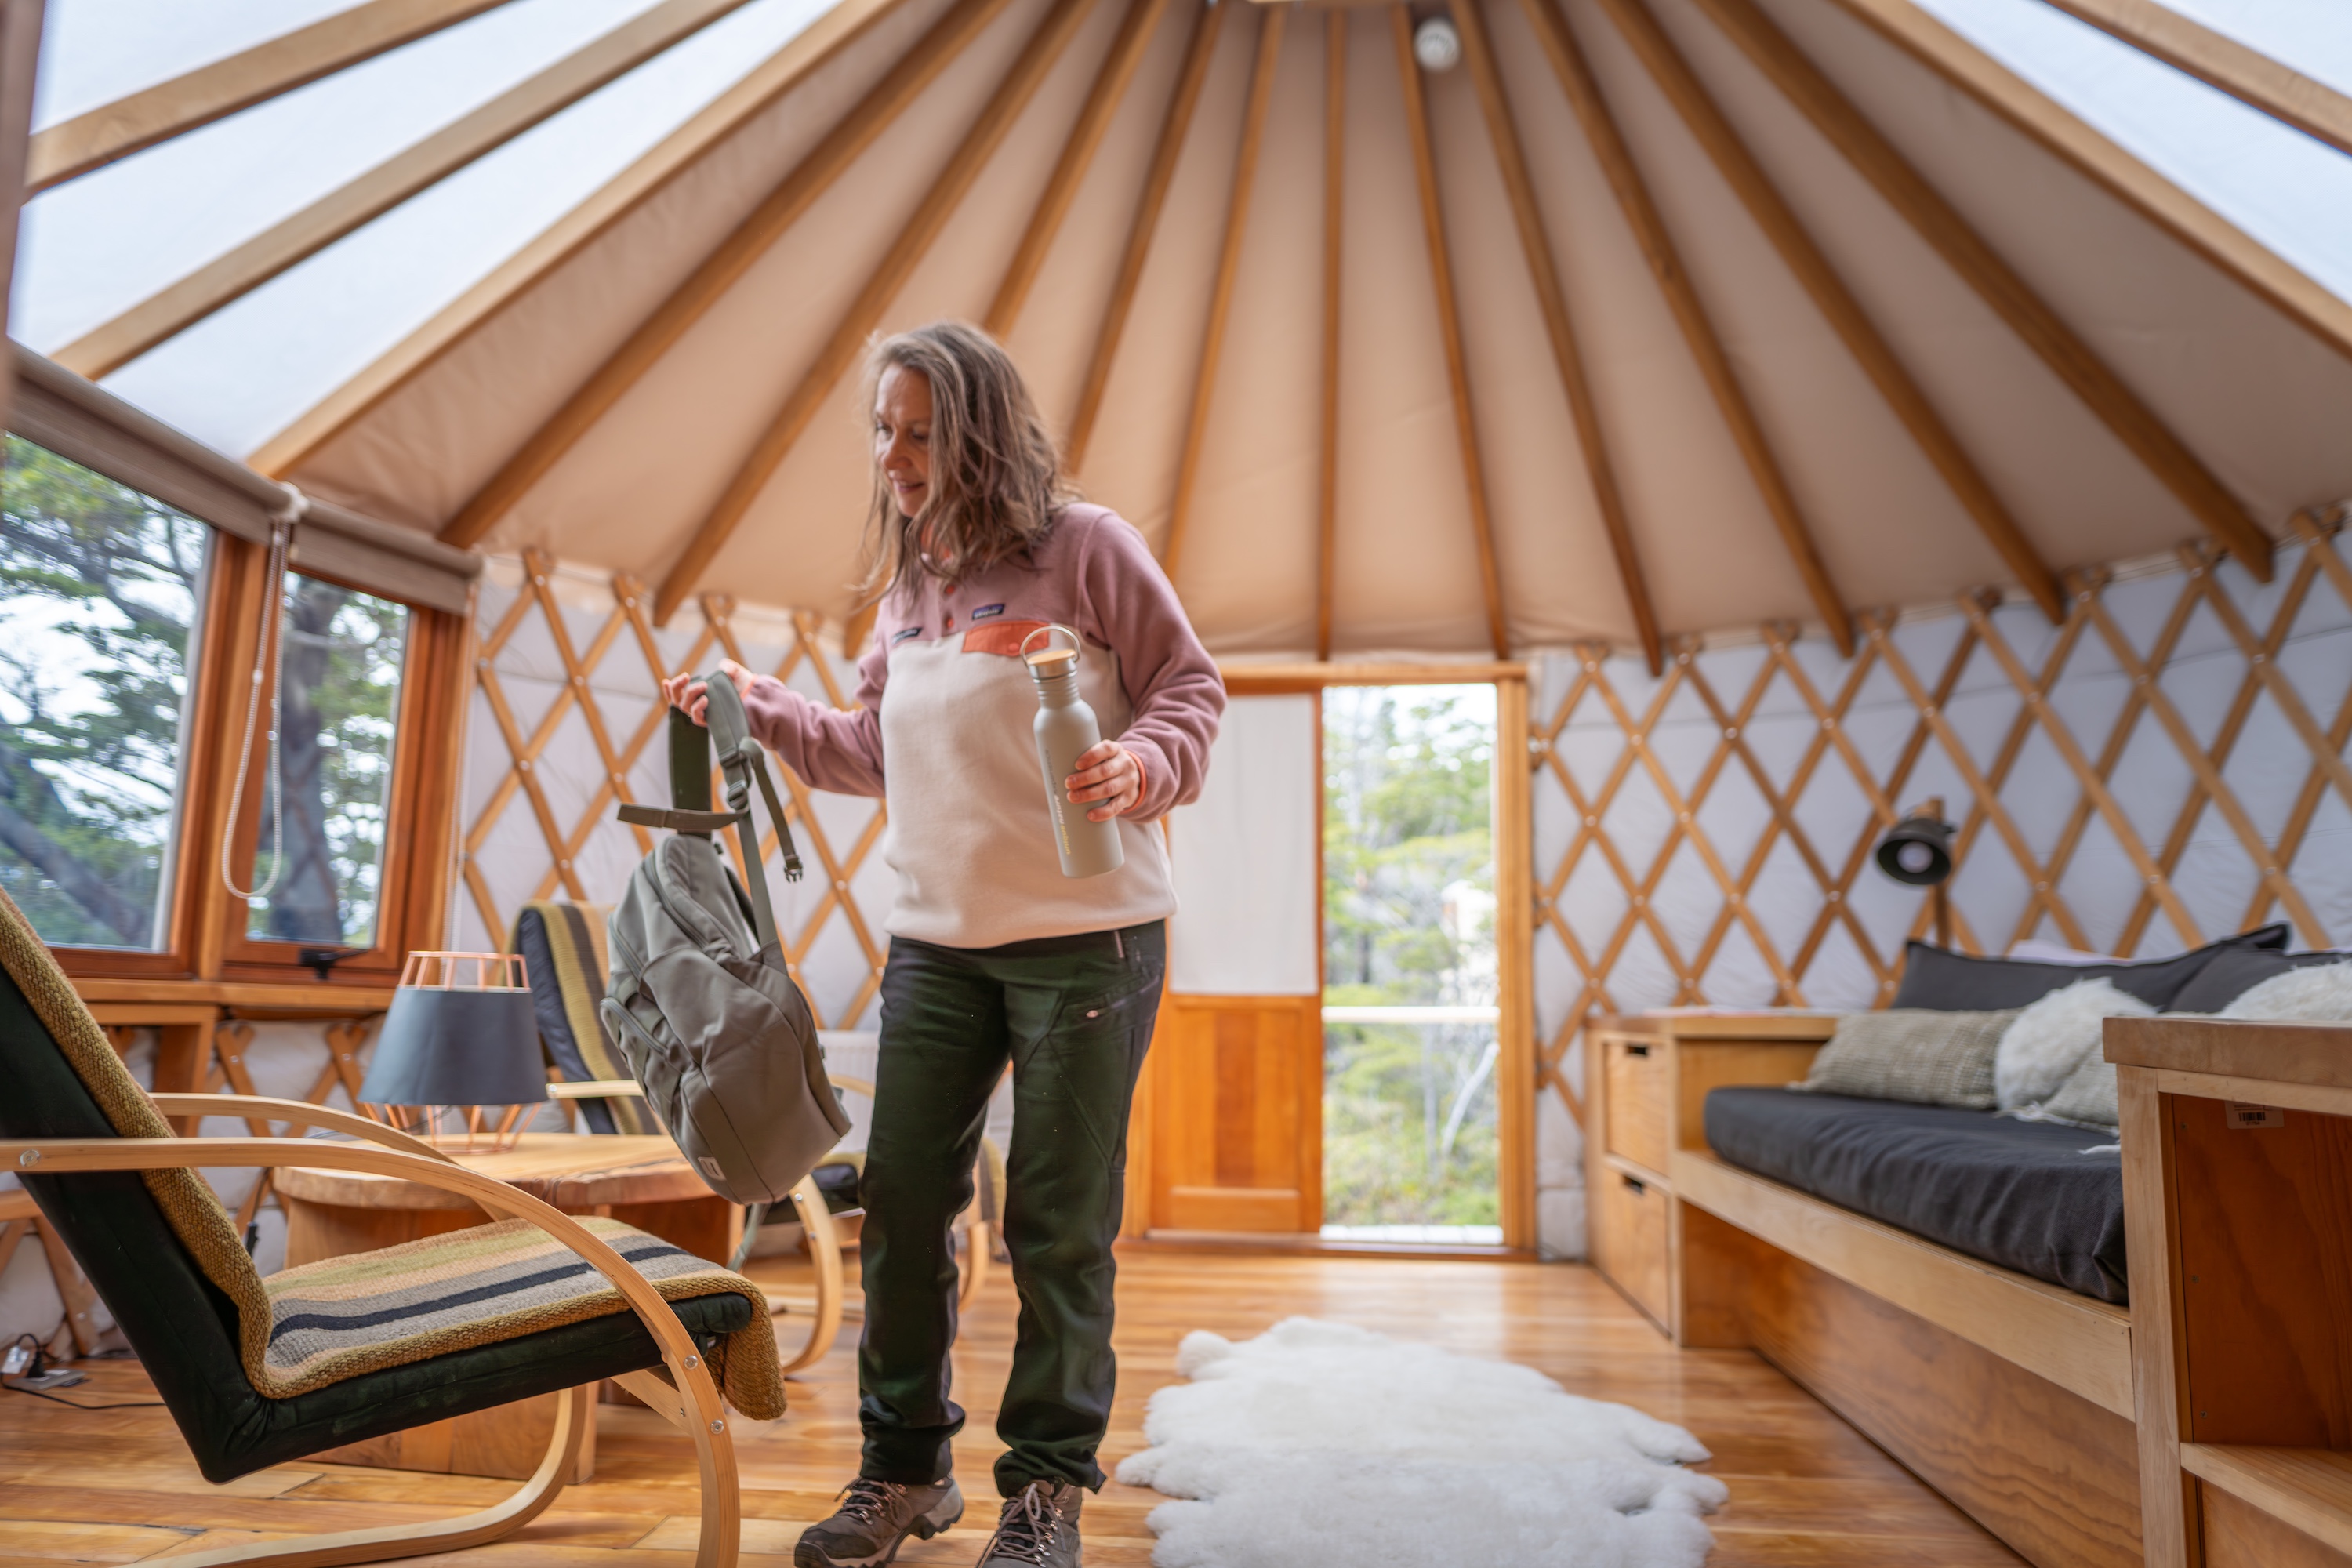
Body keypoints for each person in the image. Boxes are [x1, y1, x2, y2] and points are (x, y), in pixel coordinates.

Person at [665, 321, 1222, 1568]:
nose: (894, 453)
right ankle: (904, 1471)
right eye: (881, 427)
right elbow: (872, 749)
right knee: (906, 1205)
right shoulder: (911, 586)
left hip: (1090, 938)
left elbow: (1191, 687)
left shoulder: (1088, 549)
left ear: (980, 427)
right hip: (938, 942)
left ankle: (1044, 1494)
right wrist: (758, 707)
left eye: (918, 429)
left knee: (1057, 1223)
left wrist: (1143, 759)